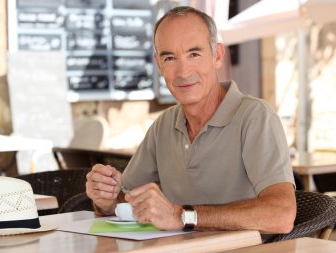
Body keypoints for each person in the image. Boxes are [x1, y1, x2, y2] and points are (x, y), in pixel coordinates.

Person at [86, 6, 296, 236]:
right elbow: (124, 201)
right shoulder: (163, 125)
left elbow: (282, 215)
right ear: (159, 64)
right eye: (170, 58)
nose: (183, 72)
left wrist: (180, 216)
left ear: (217, 55)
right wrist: (105, 200)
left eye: (194, 54)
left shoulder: (255, 117)